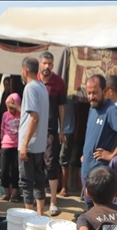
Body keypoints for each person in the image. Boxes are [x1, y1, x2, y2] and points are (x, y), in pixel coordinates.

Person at [81, 74, 117, 208]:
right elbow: (92, 133)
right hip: (86, 170)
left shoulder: (112, 110)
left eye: (95, 93)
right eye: (89, 93)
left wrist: (112, 155)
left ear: (104, 91)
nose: (91, 97)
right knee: (89, 209)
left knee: (100, 211)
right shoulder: (92, 108)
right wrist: (85, 153)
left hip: (99, 173)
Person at [19, 56, 50, 216]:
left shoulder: (30, 88)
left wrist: (24, 144)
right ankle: (39, 214)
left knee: (26, 182)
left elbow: (34, 117)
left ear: (25, 70)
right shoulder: (42, 87)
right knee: (39, 180)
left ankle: (28, 216)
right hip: (39, 145)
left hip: (30, 145)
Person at [38, 51, 67, 215]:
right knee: (36, 164)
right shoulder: (34, 79)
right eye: (44, 63)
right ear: (40, 64)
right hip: (34, 130)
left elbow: (62, 107)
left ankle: (53, 200)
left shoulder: (59, 82)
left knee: (50, 163)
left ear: (53, 65)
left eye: (50, 63)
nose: (47, 66)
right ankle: (38, 200)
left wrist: (61, 130)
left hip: (50, 130)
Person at [0, 94, 21, 202]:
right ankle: (7, 193)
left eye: (12, 108)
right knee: (4, 170)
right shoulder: (5, 115)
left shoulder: (21, 115)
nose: (10, 110)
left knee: (15, 170)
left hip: (17, 146)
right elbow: (2, 129)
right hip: (6, 145)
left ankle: (14, 194)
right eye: (8, 108)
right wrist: (1, 143)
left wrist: (18, 108)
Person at [59, 88, 79, 197]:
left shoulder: (73, 94)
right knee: (54, 158)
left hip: (68, 130)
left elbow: (78, 112)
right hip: (56, 129)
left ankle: (64, 186)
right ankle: (58, 185)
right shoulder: (57, 91)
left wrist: (76, 130)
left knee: (63, 158)